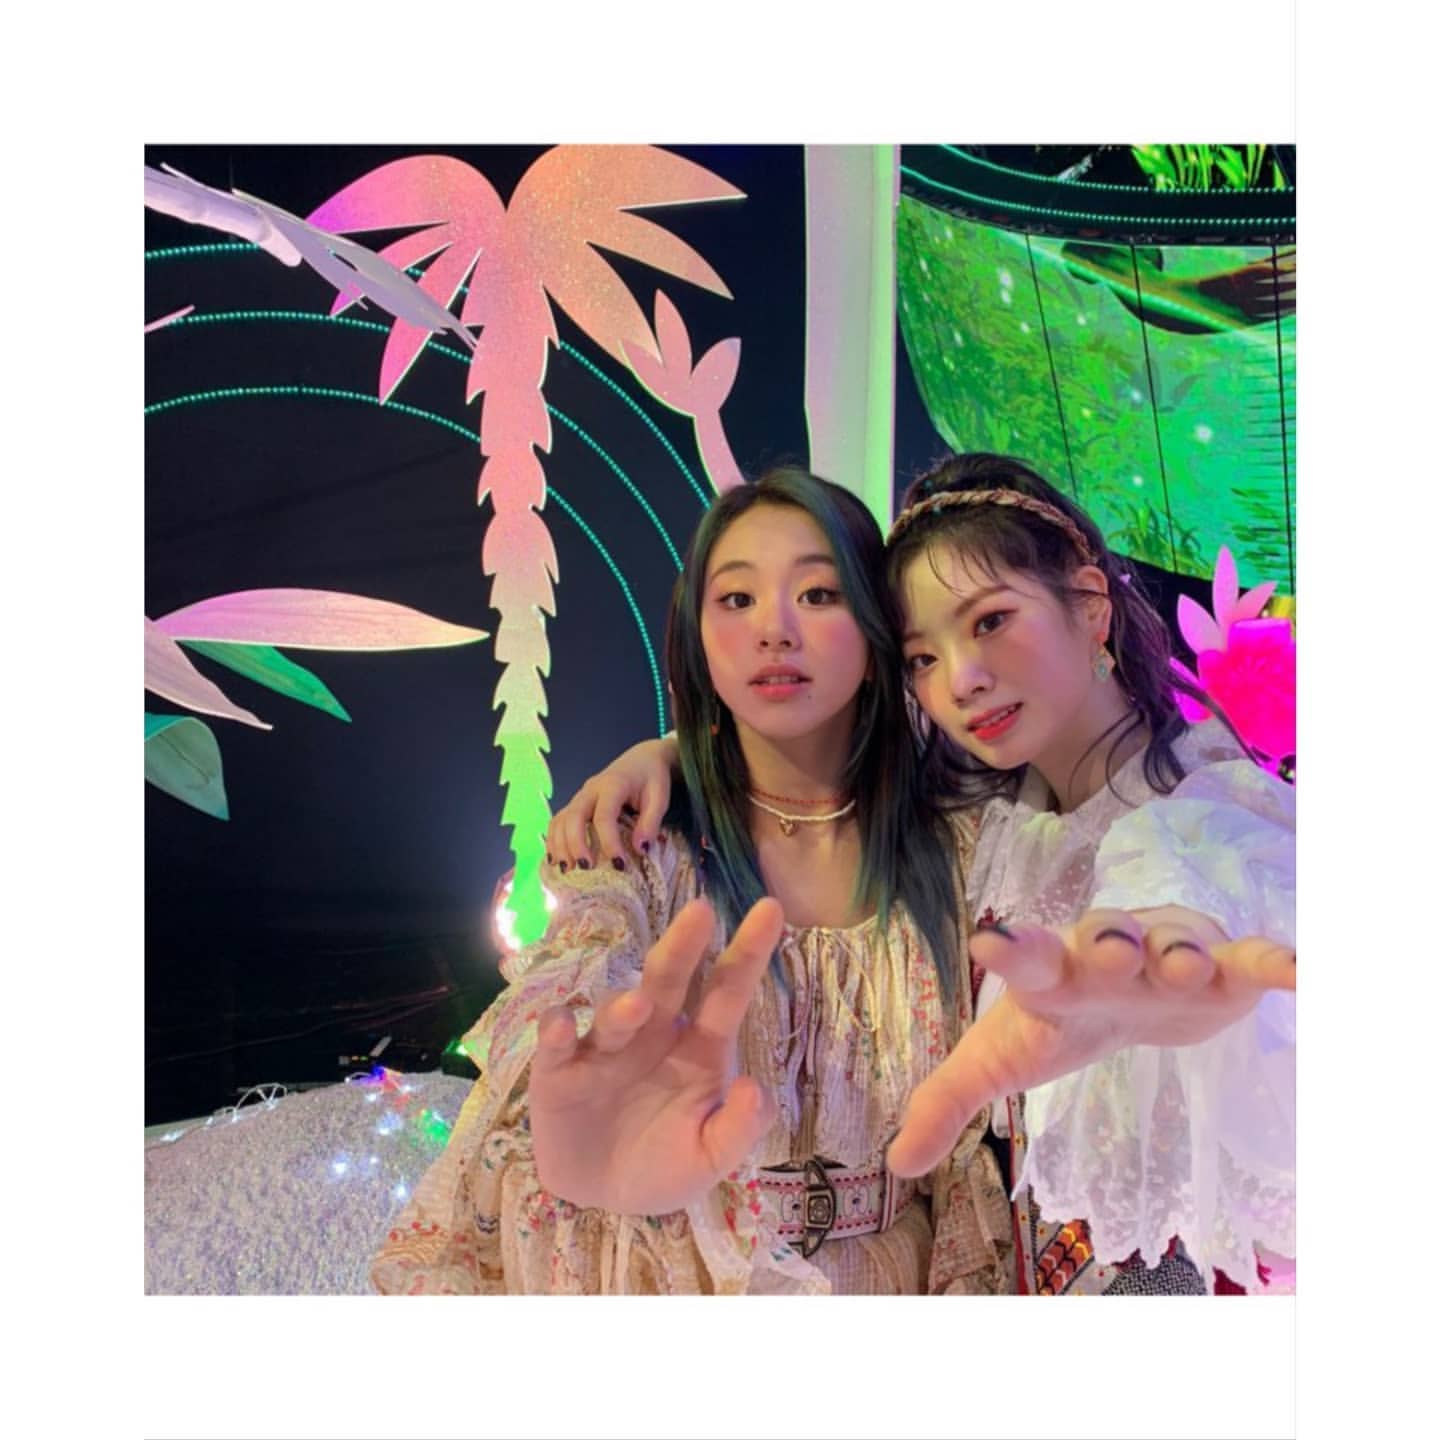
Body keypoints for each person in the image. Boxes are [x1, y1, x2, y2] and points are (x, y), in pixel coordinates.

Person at [546, 453, 1295, 1295]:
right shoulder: (996, 813)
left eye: (990, 620)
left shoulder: (1198, 813)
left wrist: (1177, 951)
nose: (962, 681)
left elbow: (1189, 885)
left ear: (1091, 603)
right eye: (922, 658)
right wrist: (671, 754)